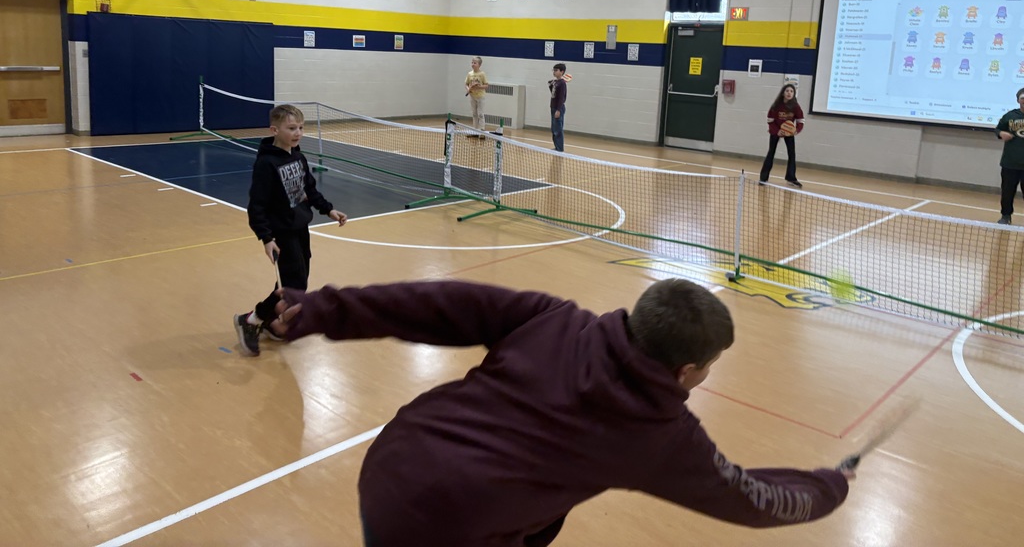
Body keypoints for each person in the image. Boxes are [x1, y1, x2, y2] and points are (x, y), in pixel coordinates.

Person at [267, 277, 852, 546]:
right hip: (448, 524)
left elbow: (433, 305)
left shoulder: (556, 317)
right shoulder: (660, 434)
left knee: (546, 519)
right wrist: (830, 485)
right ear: (686, 373)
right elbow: (750, 499)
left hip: (395, 462)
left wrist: (320, 308)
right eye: (710, 366)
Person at [234, 103, 347, 356]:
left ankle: (271, 323)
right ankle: (252, 320)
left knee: (296, 282)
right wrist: (266, 237)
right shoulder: (266, 164)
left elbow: (309, 189)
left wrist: (328, 209)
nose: (298, 133)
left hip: (299, 228)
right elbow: (257, 205)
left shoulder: (298, 156)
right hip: (281, 232)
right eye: (291, 128)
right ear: (274, 129)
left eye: (301, 128)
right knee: (294, 285)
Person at [759, 83, 805, 187]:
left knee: (792, 154)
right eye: (787, 91)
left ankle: (791, 178)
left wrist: (796, 130)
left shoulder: (795, 106)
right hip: (776, 130)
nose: (789, 93)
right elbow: (770, 120)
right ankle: (763, 178)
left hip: (789, 132)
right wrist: (777, 131)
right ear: (783, 93)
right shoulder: (776, 105)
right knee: (771, 153)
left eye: (792, 91)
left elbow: (801, 120)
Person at [995, 87, 1024, 224]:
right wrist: (1001, 134)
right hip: (1010, 163)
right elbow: (998, 128)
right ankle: (1006, 216)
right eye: (1022, 98)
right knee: (1007, 192)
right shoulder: (1010, 116)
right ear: (1018, 100)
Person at [465, 56, 489, 136]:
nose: (473, 64)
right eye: (472, 62)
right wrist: (468, 89)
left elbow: (486, 86)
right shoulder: (469, 74)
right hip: (472, 96)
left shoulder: (482, 74)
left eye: (475, 63)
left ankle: (482, 131)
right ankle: (475, 130)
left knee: (480, 114)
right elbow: (466, 84)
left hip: (480, 97)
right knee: (474, 114)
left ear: (479, 65)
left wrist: (479, 87)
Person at [548, 62, 568, 152]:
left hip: (558, 108)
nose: (554, 72)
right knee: (554, 129)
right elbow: (553, 94)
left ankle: (559, 149)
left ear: (562, 71)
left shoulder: (562, 83)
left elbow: (561, 98)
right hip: (553, 107)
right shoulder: (556, 82)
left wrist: (558, 110)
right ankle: (556, 146)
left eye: (556, 70)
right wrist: (551, 85)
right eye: (554, 70)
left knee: (558, 130)